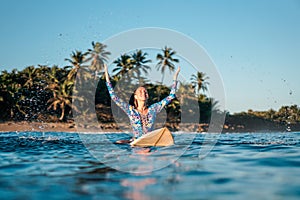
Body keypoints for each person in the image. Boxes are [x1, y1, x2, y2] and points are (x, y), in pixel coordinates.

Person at [104, 64, 180, 141]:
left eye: (145, 91)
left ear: (147, 96)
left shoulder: (153, 108)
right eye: (140, 91)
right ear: (135, 96)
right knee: (119, 142)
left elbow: (171, 96)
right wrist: (107, 77)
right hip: (136, 141)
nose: (143, 92)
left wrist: (175, 78)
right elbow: (114, 97)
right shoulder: (130, 110)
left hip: (149, 140)